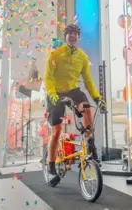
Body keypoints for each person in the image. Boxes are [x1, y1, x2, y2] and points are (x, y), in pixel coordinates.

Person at [43, 24, 107, 185]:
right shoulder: (55, 55)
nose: (72, 36)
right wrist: (52, 94)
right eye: (69, 33)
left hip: (72, 90)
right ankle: (50, 168)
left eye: (75, 34)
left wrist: (97, 98)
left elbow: (87, 80)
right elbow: (48, 78)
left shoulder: (82, 57)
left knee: (86, 109)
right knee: (56, 131)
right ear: (65, 37)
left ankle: (91, 147)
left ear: (78, 37)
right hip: (55, 92)